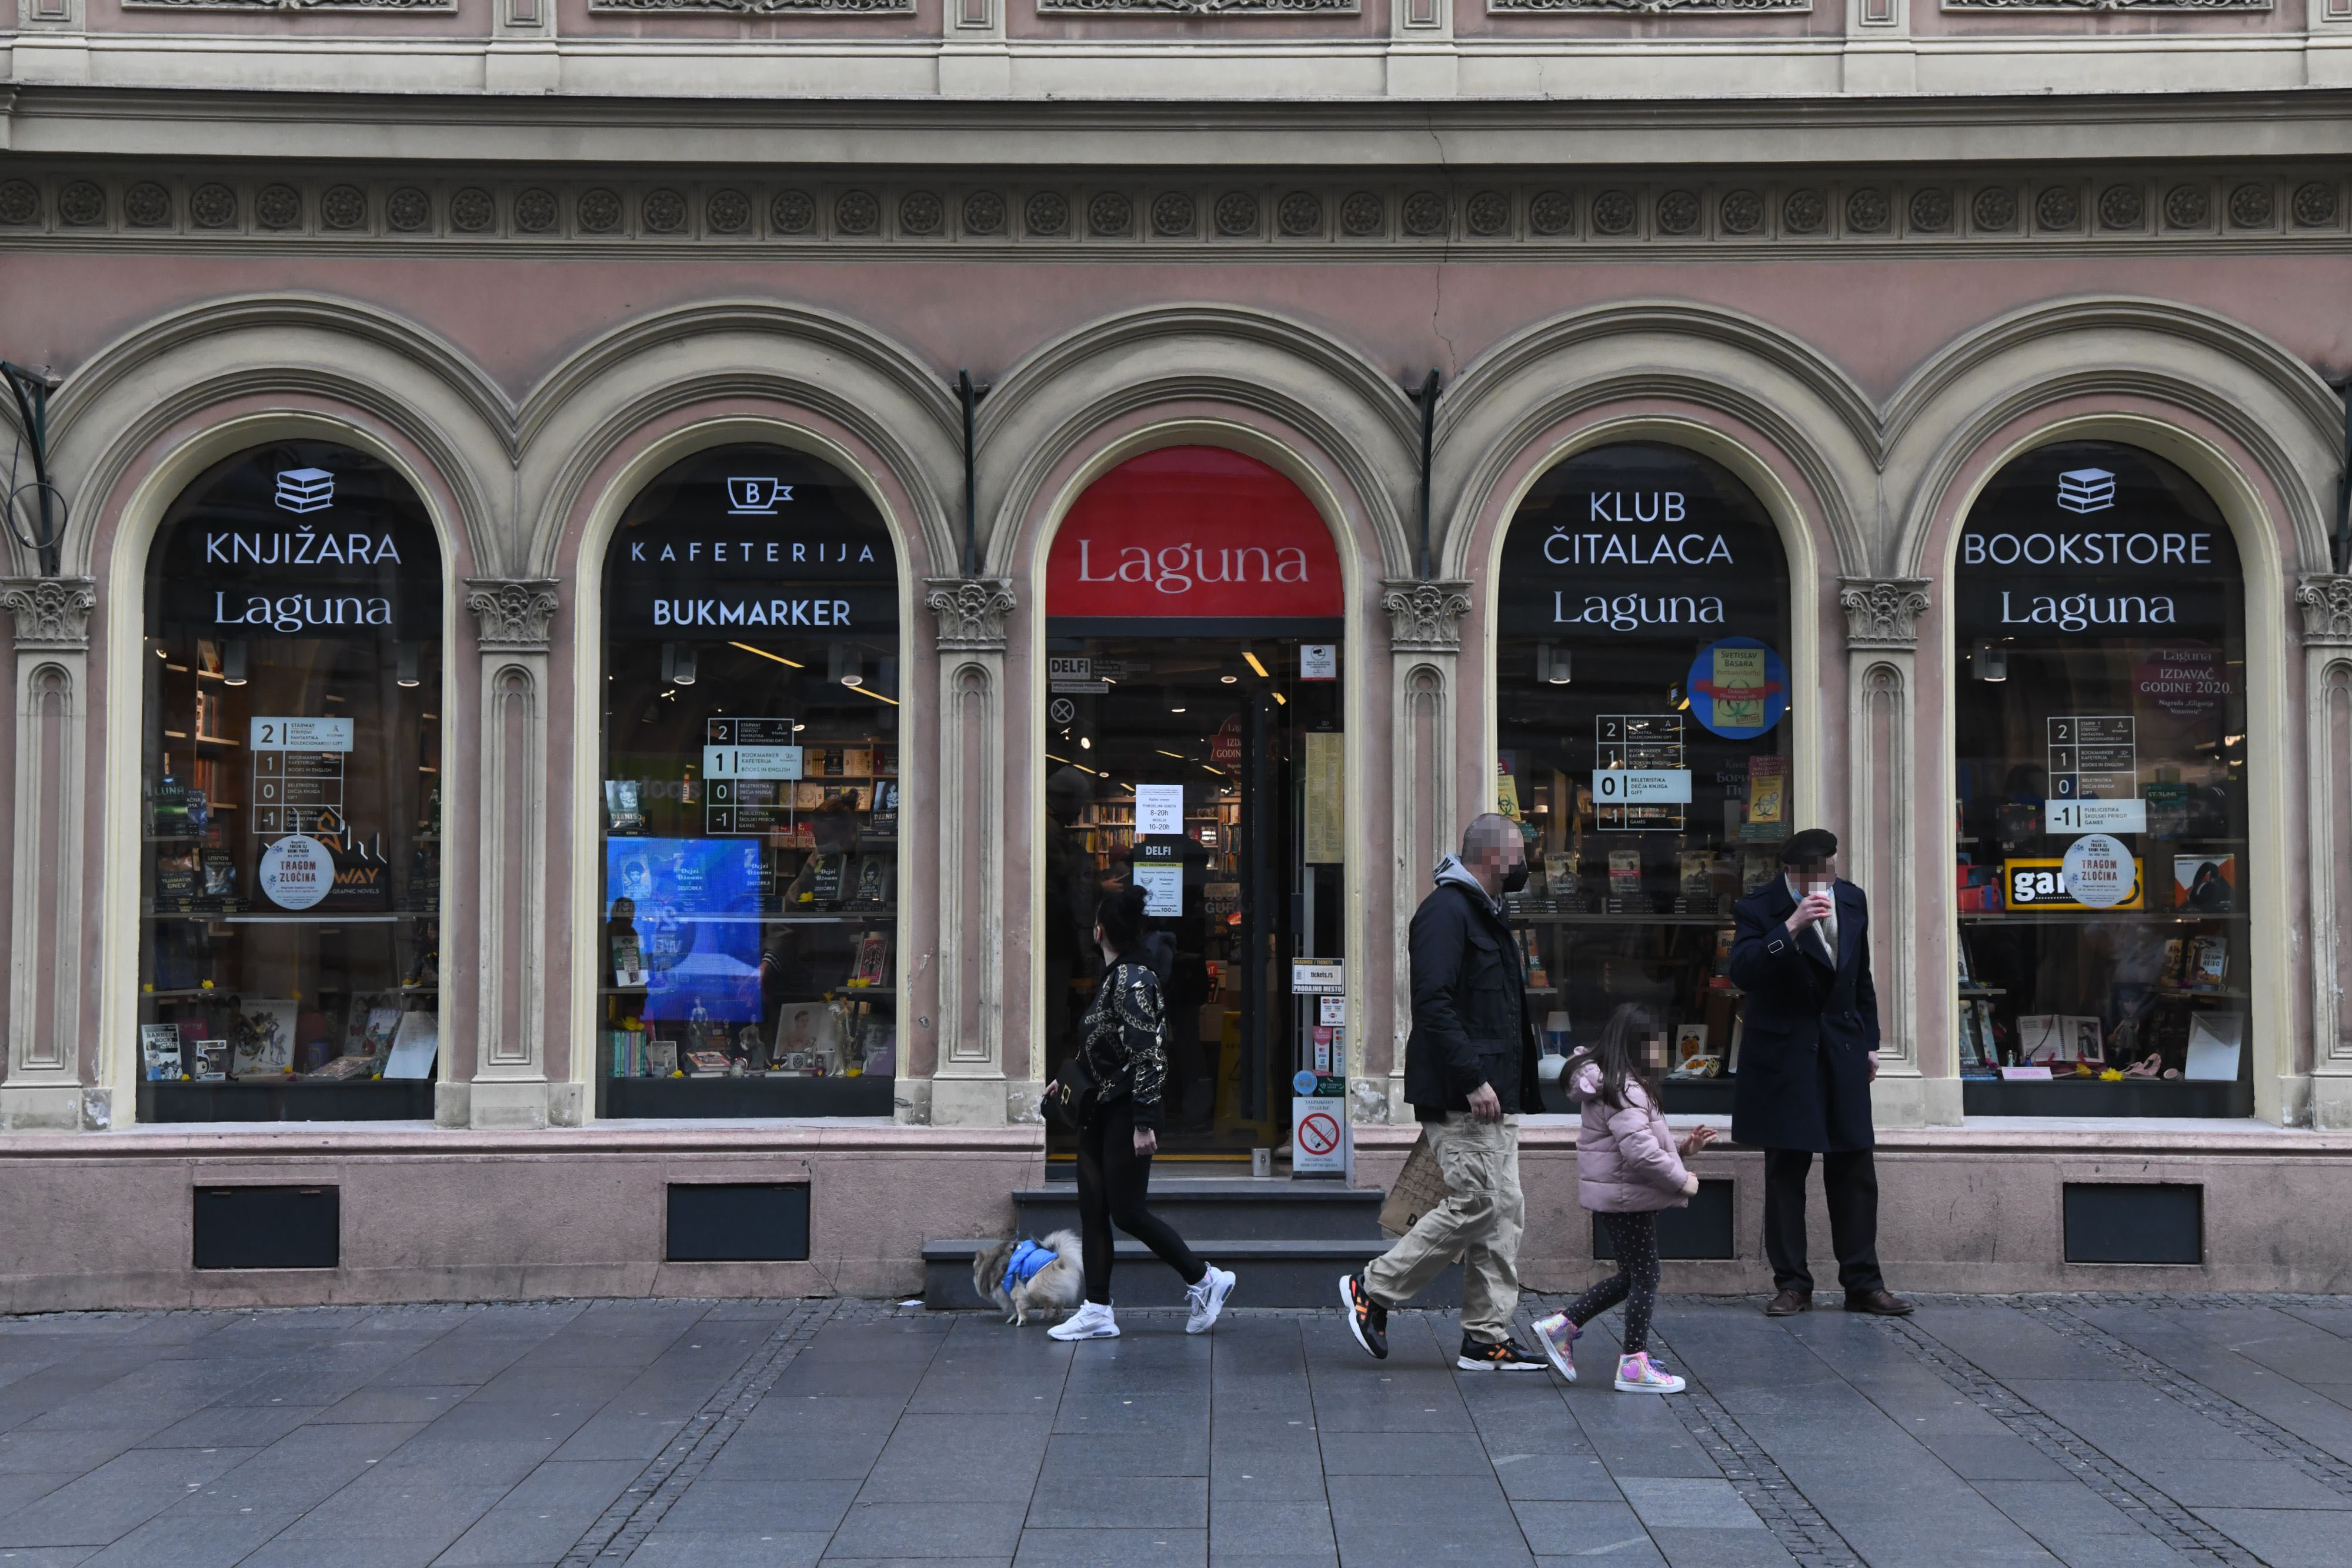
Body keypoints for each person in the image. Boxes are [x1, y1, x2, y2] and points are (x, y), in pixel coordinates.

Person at [1340, 815, 1551, 1372]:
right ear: (1492, 858)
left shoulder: (1484, 912)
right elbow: (1432, 1006)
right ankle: (1373, 1287)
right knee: (1479, 1203)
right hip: (1467, 1096)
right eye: (1518, 854)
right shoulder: (1446, 912)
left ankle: (1485, 1337)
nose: (1524, 863)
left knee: (1504, 1213)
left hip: (1495, 1095)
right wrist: (1472, 1079)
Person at [1727, 828, 1913, 1318]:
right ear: (1789, 872)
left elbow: (1861, 976)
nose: (1821, 881)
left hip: (1842, 1049)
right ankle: (1792, 1285)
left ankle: (1863, 1283)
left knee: (1854, 1168)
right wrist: (1789, 927)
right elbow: (1742, 973)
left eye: (1827, 869)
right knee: (1785, 1170)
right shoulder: (1757, 907)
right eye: (1811, 873)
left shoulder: (1851, 898)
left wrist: (1870, 1042)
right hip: (1785, 1055)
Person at [1047, 884, 1237, 1342]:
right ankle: (1096, 1310)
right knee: (1093, 1211)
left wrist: (1145, 1120)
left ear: (1099, 930)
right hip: (1099, 1110)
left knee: (1127, 1212)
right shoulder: (1113, 978)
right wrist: (1068, 1082)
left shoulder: (1134, 980)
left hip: (1125, 1111)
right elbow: (1106, 1048)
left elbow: (1148, 1053)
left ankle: (1205, 1279)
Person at [1532, 1003, 1718, 1393]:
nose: (1662, 1055)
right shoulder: (1623, 1089)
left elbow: (1638, 1146)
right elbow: (1640, 1154)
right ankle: (1633, 1365)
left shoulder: (1618, 1084)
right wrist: (1683, 1180)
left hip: (1621, 1194)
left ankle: (1561, 1326)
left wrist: (1682, 1150)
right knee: (1646, 1277)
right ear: (1639, 1046)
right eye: (1657, 1045)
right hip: (1625, 1197)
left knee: (1630, 1277)